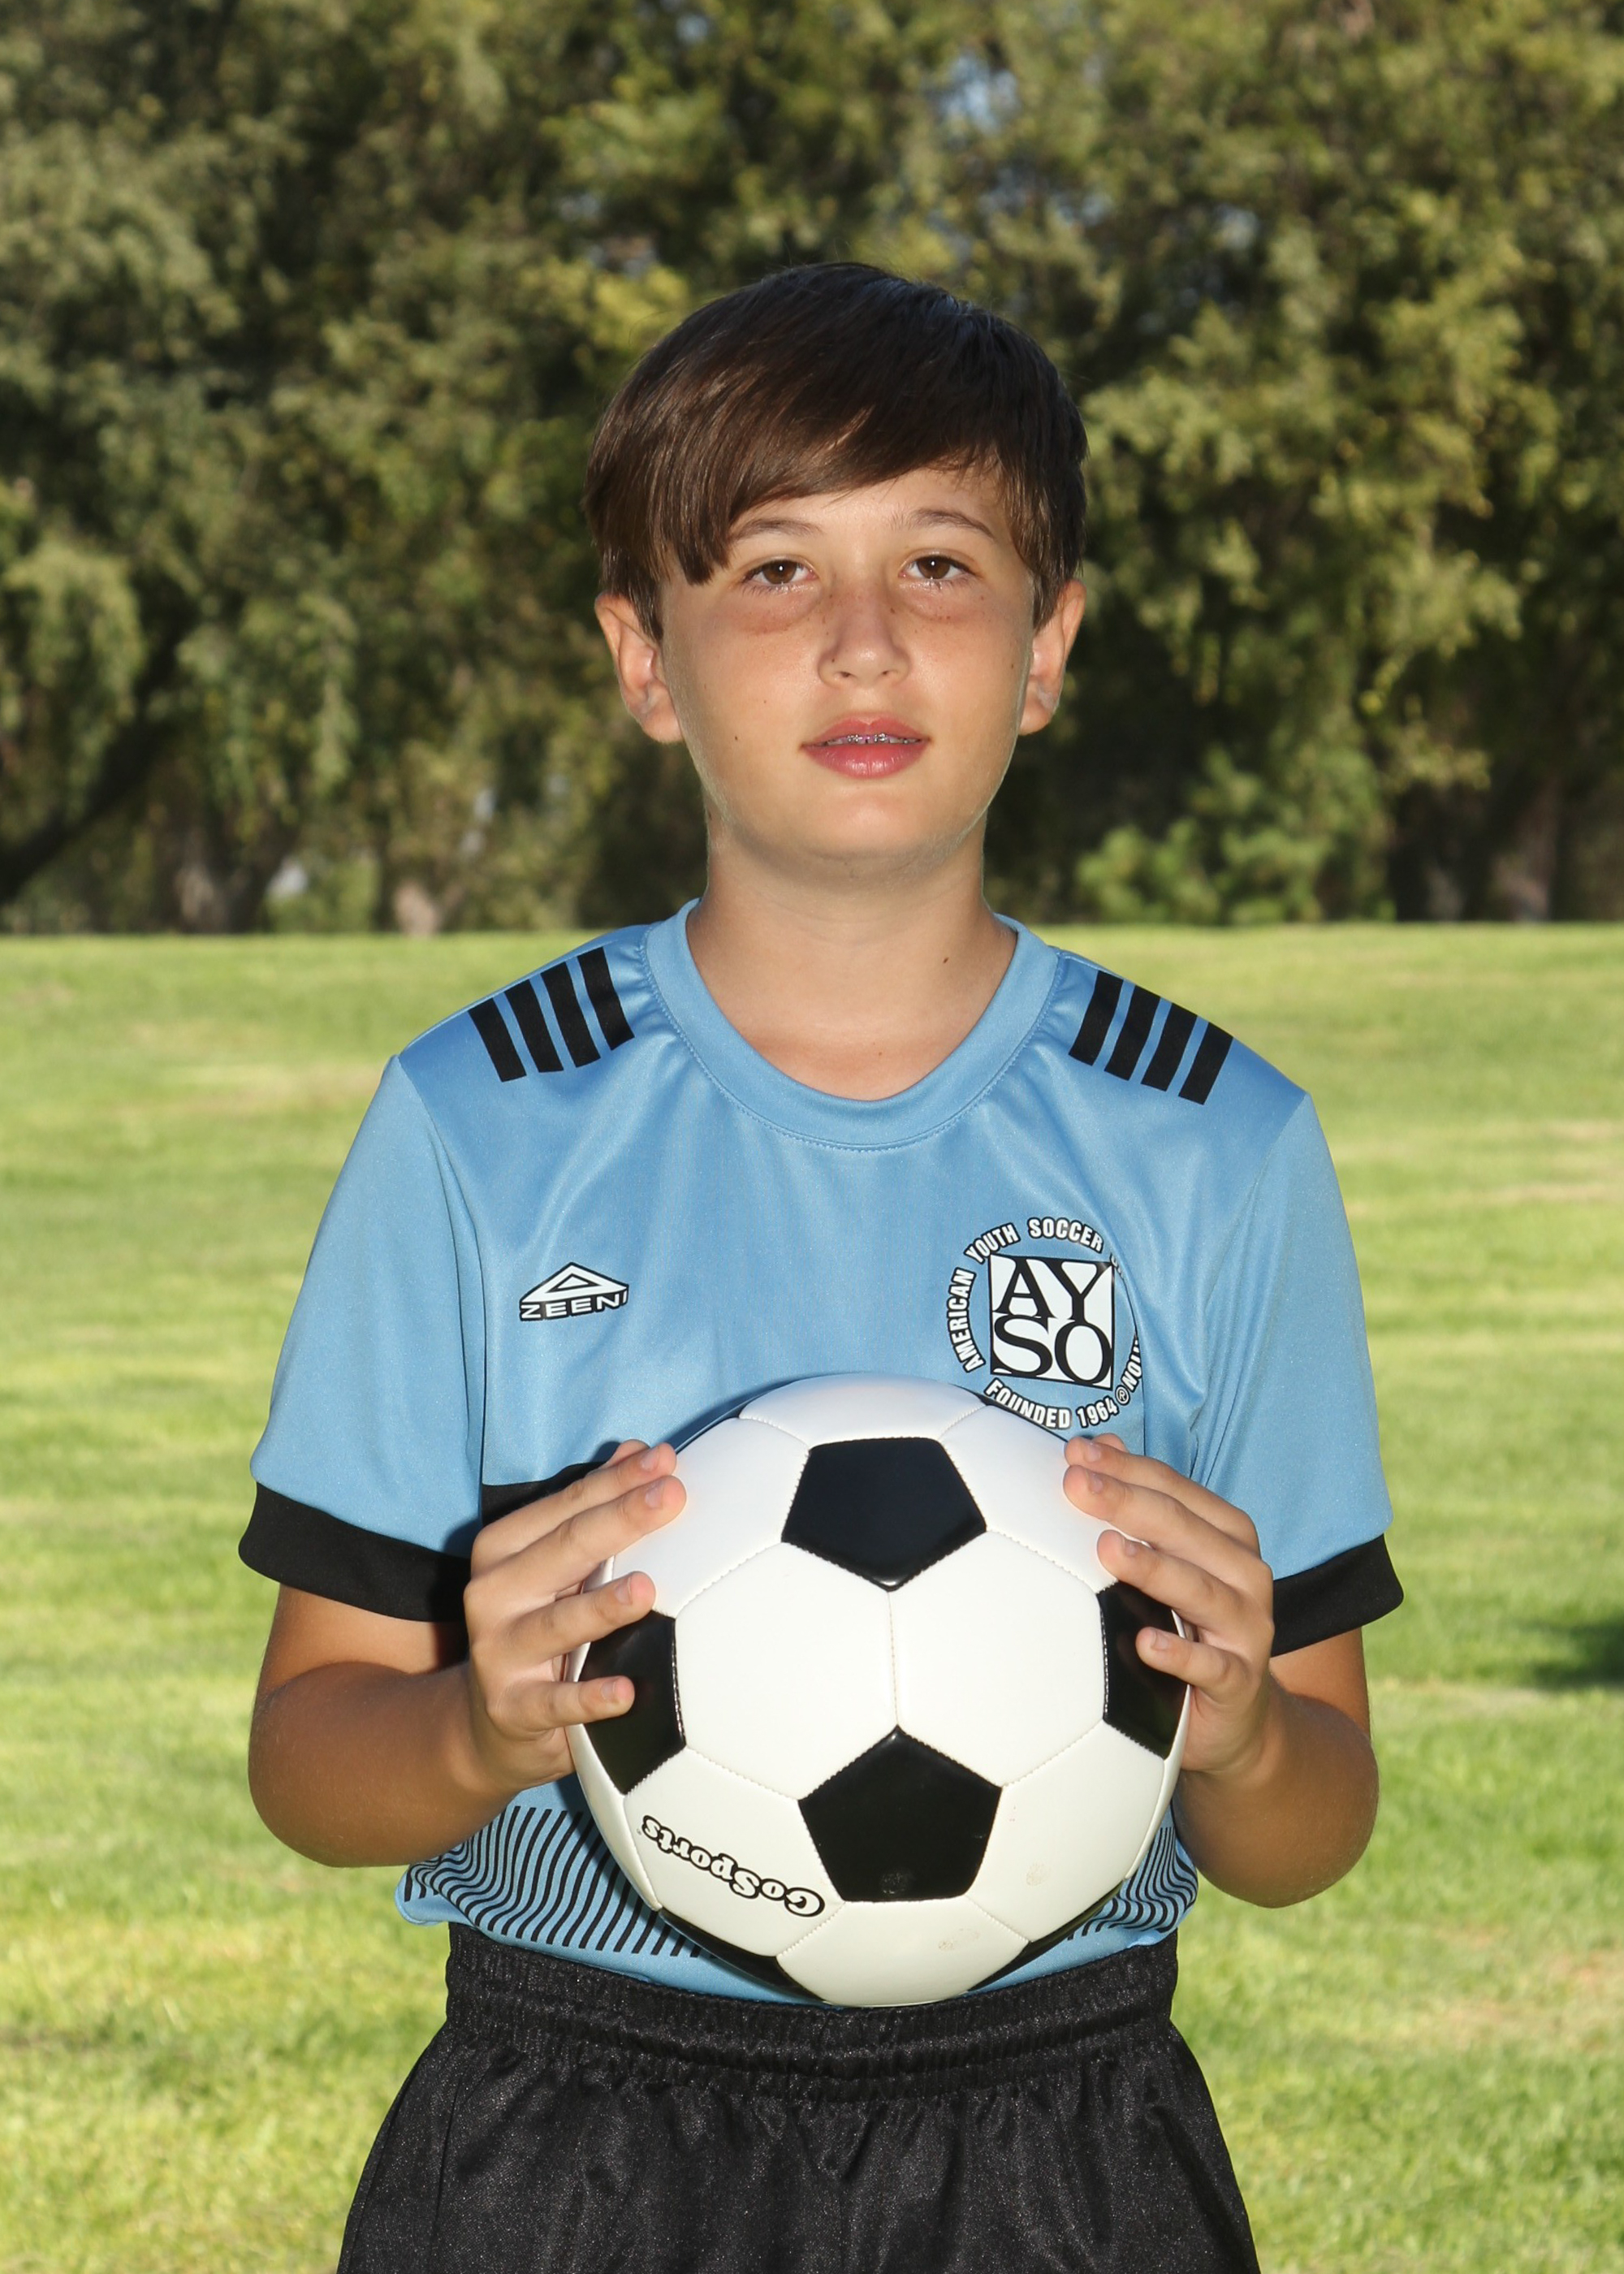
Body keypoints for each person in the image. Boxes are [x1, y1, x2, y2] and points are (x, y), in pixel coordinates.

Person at [241, 264, 1402, 2272]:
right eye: (774, 569)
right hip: (575, 2128)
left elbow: (1314, 1817)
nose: (864, 640)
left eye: (939, 565)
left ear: (1045, 647)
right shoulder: (483, 1123)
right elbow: (306, 1754)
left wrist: (1239, 1737)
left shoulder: (1215, 1142)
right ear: (645, 656)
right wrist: (469, 1732)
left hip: (1060, 2134)